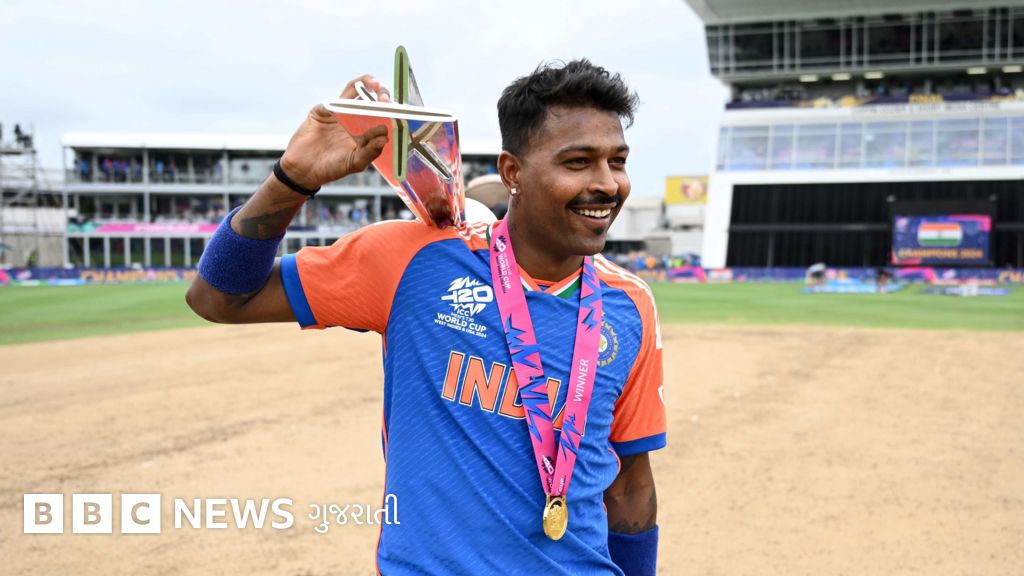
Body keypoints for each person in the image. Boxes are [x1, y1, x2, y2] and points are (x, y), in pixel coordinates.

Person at [187, 60, 665, 576]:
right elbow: (219, 298)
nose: (607, 184)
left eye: (617, 162)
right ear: (512, 172)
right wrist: (293, 178)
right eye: (578, 162)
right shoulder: (413, 259)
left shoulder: (629, 305)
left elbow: (630, 486)